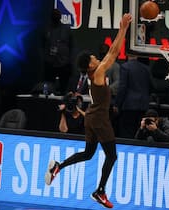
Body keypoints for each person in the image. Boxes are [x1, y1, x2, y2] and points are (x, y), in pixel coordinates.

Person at [45, 13, 132, 209]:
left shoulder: (94, 75)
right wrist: (123, 28)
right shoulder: (98, 72)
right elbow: (114, 51)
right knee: (112, 156)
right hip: (100, 119)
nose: (95, 57)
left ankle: (58, 166)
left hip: (91, 117)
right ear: (89, 65)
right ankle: (99, 191)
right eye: (92, 58)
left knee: (88, 153)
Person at [116, 55, 155, 138]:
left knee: (127, 133)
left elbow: (122, 88)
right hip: (143, 106)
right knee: (140, 132)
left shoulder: (125, 67)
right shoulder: (146, 68)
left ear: (128, 55)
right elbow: (152, 87)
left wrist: (117, 105)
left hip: (128, 106)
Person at [44, 9, 74, 94]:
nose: (56, 16)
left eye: (57, 15)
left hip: (64, 64)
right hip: (50, 64)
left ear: (60, 17)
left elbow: (71, 46)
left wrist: (69, 61)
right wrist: (46, 59)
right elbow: (43, 45)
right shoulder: (47, 29)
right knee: (49, 89)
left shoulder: (66, 29)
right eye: (54, 15)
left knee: (64, 89)